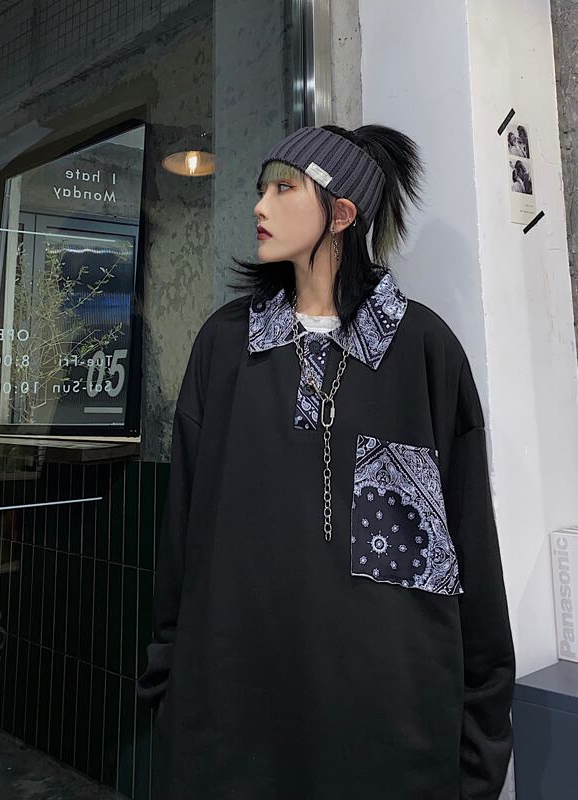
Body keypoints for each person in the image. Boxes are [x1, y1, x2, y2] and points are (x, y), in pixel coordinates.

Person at [136, 123, 515, 800]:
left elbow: (471, 556)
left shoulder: (424, 352)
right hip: (230, 731)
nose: (260, 205)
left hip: (389, 742)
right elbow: (183, 537)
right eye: (261, 189)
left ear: (341, 214)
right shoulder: (226, 347)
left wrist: (480, 743)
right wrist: (166, 684)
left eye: (284, 189)